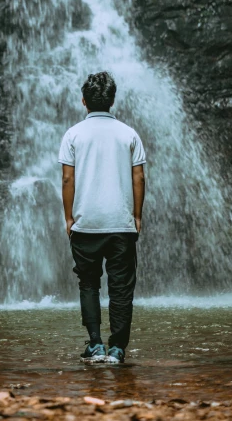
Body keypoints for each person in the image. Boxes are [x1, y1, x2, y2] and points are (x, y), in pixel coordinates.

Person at [58, 71, 146, 365]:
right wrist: (136, 216)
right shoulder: (128, 133)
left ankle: (95, 344)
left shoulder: (73, 134)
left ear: (84, 101)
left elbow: (67, 179)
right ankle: (118, 348)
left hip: (86, 223)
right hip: (121, 224)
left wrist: (69, 218)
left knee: (89, 284)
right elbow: (138, 177)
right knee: (121, 288)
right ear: (112, 101)